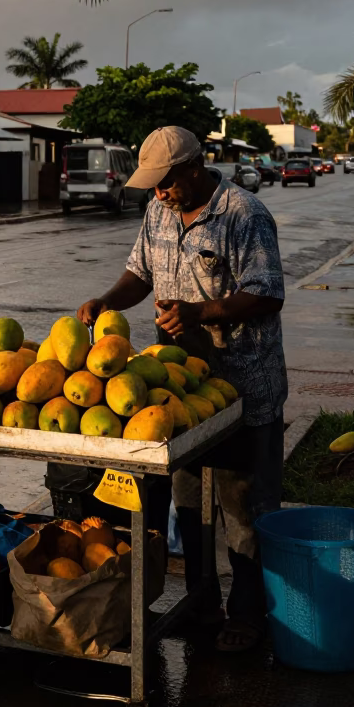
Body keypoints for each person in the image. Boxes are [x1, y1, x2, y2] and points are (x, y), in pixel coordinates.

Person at [77, 125, 287, 653]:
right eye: (153, 186)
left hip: (242, 386)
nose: (159, 193)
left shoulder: (243, 214)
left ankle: (246, 614)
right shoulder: (159, 211)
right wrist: (107, 302)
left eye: (166, 182)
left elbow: (266, 294)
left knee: (242, 504)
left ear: (193, 169)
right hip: (181, 390)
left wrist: (201, 311)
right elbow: (139, 273)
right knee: (188, 503)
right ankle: (201, 603)